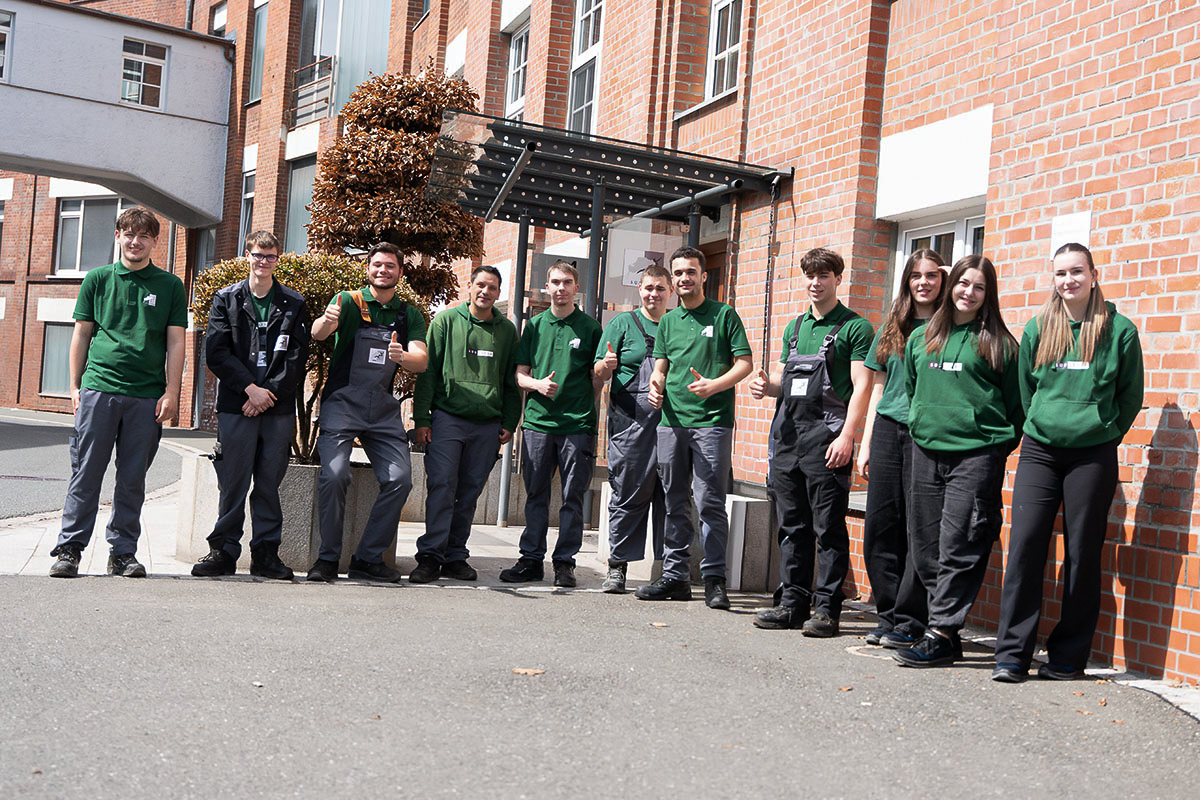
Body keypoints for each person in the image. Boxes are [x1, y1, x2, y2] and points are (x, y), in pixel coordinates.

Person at [992, 243, 1144, 683]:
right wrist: (1041, 423)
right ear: (1053, 280)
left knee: (1081, 554)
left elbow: (1130, 396)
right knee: (1026, 547)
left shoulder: (1120, 331)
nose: (1068, 281)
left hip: (1092, 454)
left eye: (1077, 272)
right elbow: (1026, 391)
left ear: (1094, 275)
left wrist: (1103, 430)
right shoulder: (1041, 327)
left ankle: (1067, 657)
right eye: (1060, 274)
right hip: (1040, 450)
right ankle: (1012, 655)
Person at [893, 254, 1024, 668]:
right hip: (926, 451)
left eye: (979, 287)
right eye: (964, 283)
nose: (969, 292)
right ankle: (945, 633)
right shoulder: (922, 338)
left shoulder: (1000, 344)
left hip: (976, 456)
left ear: (989, 295)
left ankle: (941, 631)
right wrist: (922, 425)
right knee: (926, 546)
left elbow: (1017, 408)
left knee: (960, 544)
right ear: (952, 287)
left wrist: (990, 450)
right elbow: (913, 392)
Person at [49, 207, 187, 578]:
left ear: (155, 242)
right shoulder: (97, 279)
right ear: (117, 236)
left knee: (132, 480)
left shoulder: (170, 285)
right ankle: (70, 549)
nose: (135, 241)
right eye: (129, 234)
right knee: (86, 473)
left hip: (146, 396)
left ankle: (123, 552)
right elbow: (81, 334)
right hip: (99, 389)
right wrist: (75, 387)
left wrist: (172, 392)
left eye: (144, 236)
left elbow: (176, 343)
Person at [750, 247, 875, 636]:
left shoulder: (855, 328)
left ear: (838, 279)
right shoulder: (795, 327)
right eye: (810, 275)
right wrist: (764, 386)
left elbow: (862, 387)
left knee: (828, 528)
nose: (815, 283)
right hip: (789, 440)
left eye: (823, 276)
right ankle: (793, 603)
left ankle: (826, 610)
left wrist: (848, 436)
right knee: (792, 526)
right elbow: (787, 382)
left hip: (828, 440)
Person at [305, 243, 428, 583]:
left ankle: (367, 558)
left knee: (400, 480)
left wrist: (402, 355)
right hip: (342, 404)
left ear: (400, 272)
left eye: (390, 265)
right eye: (377, 265)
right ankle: (327, 558)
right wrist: (326, 322)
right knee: (334, 476)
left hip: (382, 410)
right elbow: (318, 334)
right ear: (367, 269)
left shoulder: (409, 315)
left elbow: (422, 359)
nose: (383, 270)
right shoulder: (347, 301)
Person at [639, 246, 753, 609]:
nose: (684, 278)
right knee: (674, 502)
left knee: (709, 503)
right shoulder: (668, 322)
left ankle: (715, 579)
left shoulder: (724, 315)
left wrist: (715, 385)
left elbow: (745, 363)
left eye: (691, 271)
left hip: (711, 424)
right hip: (671, 423)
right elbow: (661, 366)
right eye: (679, 273)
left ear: (704, 276)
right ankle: (675, 577)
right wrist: (657, 384)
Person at [192, 231, 311, 580]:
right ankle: (223, 552)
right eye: (258, 255)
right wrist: (249, 389)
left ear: (278, 260)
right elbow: (216, 352)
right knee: (233, 480)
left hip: (275, 407)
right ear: (247, 255)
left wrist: (266, 394)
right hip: (236, 406)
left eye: (270, 257)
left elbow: (296, 357)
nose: (263, 262)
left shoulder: (293, 302)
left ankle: (266, 554)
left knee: (269, 483)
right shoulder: (225, 299)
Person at [409, 265, 520, 583]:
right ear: (469, 288)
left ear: (499, 293)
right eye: (481, 285)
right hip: (447, 420)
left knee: (469, 493)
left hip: (487, 425)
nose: (486, 292)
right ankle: (430, 556)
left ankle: (455, 556)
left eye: (493, 288)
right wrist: (422, 418)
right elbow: (428, 372)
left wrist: (510, 421)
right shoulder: (446, 321)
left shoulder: (506, 331)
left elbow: (511, 382)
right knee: (442, 487)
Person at [857, 250, 946, 646]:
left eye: (931, 275)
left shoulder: (949, 326)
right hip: (888, 429)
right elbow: (877, 387)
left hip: (925, 433)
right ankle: (888, 613)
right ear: (906, 281)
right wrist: (865, 443)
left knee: (917, 528)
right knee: (881, 525)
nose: (923, 282)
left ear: (942, 281)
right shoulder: (893, 325)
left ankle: (912, 618)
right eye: (915, 276)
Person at [500, 261, 602, 587]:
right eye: (555, 282)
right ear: (547, 287)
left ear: (576, 287)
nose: (561, 288)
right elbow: (519, 375)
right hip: (538, 424)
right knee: (536, 496)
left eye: (567, 282)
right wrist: (538, 385)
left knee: (572, 497)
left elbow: (598, 376)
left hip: (577, 425)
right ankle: (530, 559)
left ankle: (564, 563)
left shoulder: (590, 328)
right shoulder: (534, 326)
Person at [593, 264, 673, 593]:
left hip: (671, 425)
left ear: (669, 292)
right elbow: (597, 373)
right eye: (648, 287)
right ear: (639, 290)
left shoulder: (678, 325)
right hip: (629, 426)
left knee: (671, 499)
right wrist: (605, 366)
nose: (653, 293)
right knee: (626, 495)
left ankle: (671, 570)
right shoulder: (623, 324)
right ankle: (618, 568)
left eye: (660, 288)